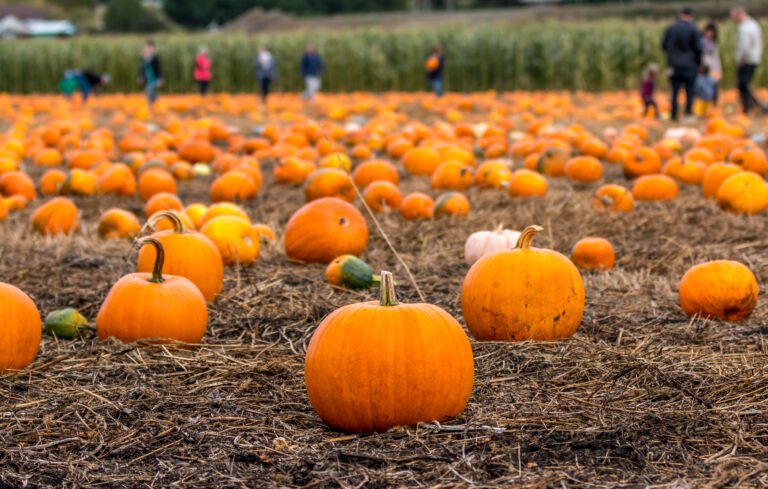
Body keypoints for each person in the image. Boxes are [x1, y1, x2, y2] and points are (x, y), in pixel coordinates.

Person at [662, 7, 702, 120]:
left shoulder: (671, 29)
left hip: (673, 65)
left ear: (680, 15)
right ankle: (688, 114)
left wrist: (672, 56)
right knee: (689, 91)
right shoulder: (693, 29)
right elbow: (698, 48)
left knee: (674, 92)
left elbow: (664, 46)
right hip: (690, 64)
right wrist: (698, 63)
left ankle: (674, 115)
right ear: (691, 16)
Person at [731, 7, 766, 114]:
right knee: (744, 85)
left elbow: (745, 47)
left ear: (739, 14)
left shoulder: (745, 28)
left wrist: (740, 60)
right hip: (753, 59)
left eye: (733, 17)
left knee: (742, 85)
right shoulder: (753, 24)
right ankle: (756, 106)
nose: (733, 20)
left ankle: (749, 108)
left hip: (747, 60)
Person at [700, 23, 721, 105]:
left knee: (714, 86)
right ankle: (704, 105)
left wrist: (719, 69)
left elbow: (716, 57)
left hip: (714, 67)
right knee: (704, 87)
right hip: (704, 67)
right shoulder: (701, 42)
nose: (710, 33)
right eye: (708, 31)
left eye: (712, 32)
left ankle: (713, 105)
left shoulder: (714, 43)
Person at [139, 39, 163, 105]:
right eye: (147, 47)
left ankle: (152, 103)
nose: (148, 48)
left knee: (150, 91)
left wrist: (160, 78)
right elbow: (142, 69)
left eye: (150, 47)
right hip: (146, 77)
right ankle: (152, 104)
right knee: (148, 91)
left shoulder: (155, 57)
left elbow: (159, 68)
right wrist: (141, 77)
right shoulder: (143, 57)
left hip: (153, 77)